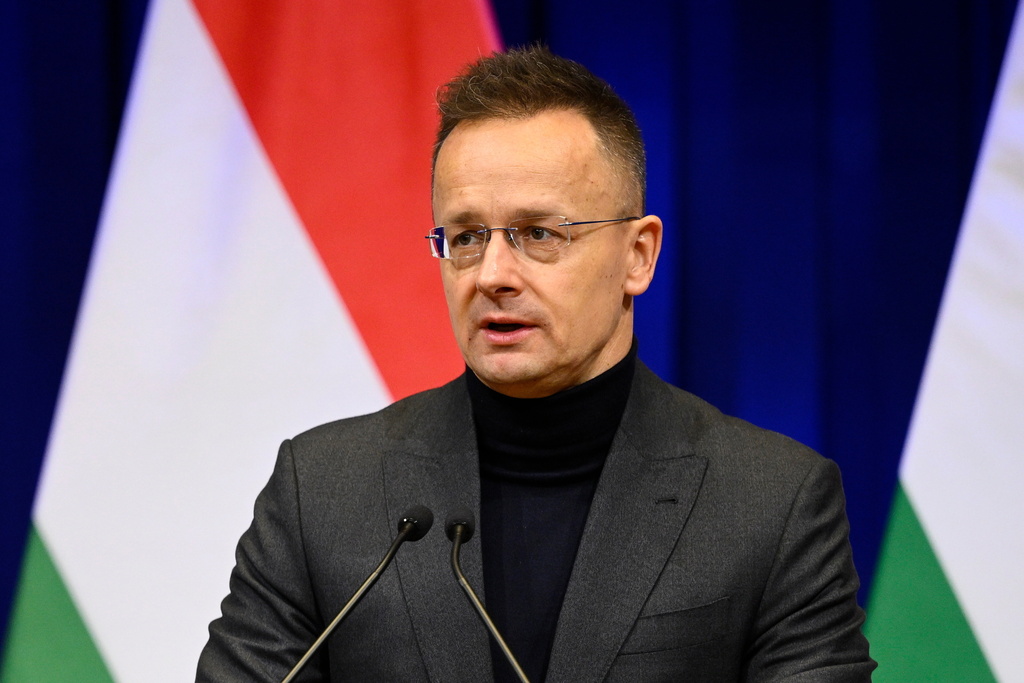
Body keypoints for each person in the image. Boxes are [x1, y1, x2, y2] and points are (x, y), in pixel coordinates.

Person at [197, 46, 875, 682]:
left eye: (539, 234)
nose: (493, 273)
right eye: (466, 236)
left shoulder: (771, 503)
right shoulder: (321, 494)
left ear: (637, 255)